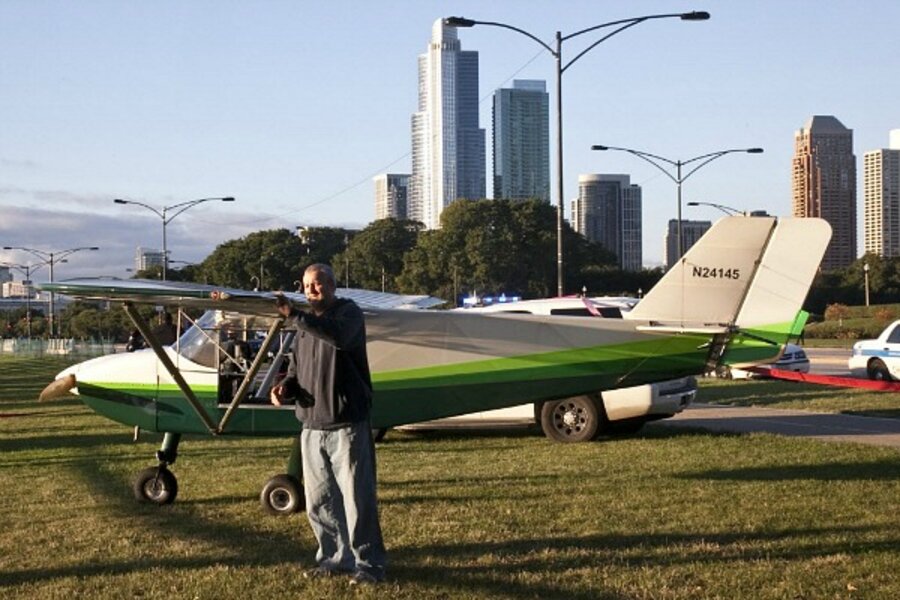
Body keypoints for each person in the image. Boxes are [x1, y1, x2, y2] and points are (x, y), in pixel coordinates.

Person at [272, 263, 386, 586]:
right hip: (311, 425)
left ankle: (370, 565)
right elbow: (296, 369)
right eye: (307, 285)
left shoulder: (348, 315)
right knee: (319, 501)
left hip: (347, 423)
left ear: (333, 286)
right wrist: (286, 388)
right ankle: (333, 559)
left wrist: (294, 315)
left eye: (318, 284)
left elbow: (336, 337)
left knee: (357, 500)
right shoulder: (302, 328)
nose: (312, 290)